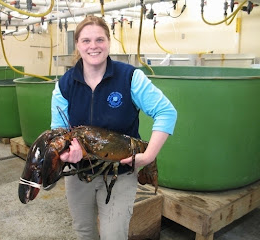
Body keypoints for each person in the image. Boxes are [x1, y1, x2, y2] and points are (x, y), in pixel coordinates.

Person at [51, 15, 177, 240]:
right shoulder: (64, 85)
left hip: (121, 173)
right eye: (86, 40)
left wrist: (148, 156)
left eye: (100, 40)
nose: (93, 46)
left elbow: (167, 113)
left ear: (109, 42)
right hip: (78, 174)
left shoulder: (130, 77)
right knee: (84, 231)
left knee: (114, 235)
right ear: (78, 45)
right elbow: (58, 131)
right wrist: (67, 154)